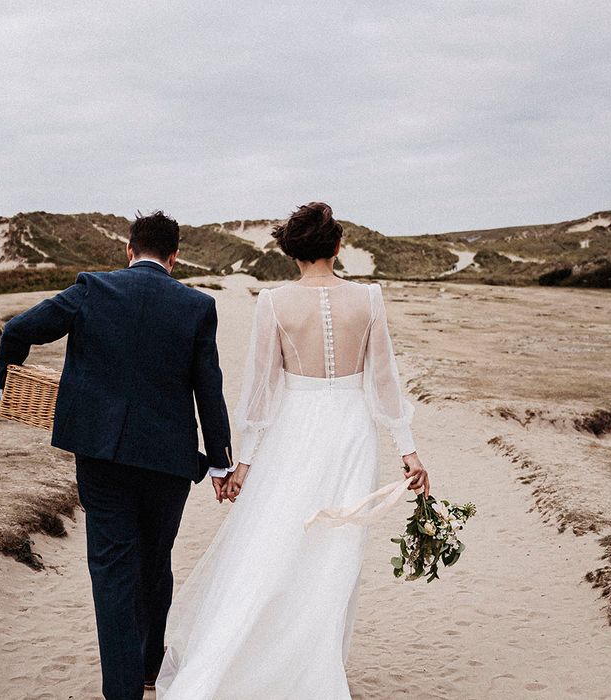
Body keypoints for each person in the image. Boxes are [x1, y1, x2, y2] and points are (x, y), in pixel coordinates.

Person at [156, 202, 429, 699]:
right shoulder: (369, 298)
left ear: (291, 252)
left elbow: (259, 391)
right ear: (338, 246)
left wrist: (245, 461)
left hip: (294, 431)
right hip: (352, 434)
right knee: (336, 550)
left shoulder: (274, 302)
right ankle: (316, 668)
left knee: (274, 540)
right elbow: (385, 382)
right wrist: (407, 450)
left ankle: (281, 660)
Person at [0, 211, 233, 700]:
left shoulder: (91, 289)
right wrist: (221, 461)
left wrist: (7, 380)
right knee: (155, 558)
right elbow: (210, 388)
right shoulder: (197, 306)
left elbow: (19, 329)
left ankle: (122, 691)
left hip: (102, 456)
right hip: (169, 462)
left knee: (112, 567)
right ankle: (149, 666)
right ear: (174, 256)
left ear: (129, 249)